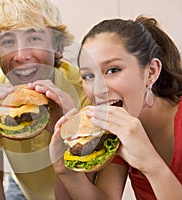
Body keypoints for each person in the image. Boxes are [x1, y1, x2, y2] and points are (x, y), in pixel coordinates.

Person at [50, 16, 182, 199]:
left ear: (151, 72)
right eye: (88, 76)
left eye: (112, 70)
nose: (98, 90)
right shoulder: (117, 131)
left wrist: (150, 164)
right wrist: (66, 171)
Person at [0, 0, 90, 199]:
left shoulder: (84, 90)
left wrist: (66, 133)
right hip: (22, 191)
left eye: (34, 38)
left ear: (58, 47)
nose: (20, 55)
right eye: (8, 42)